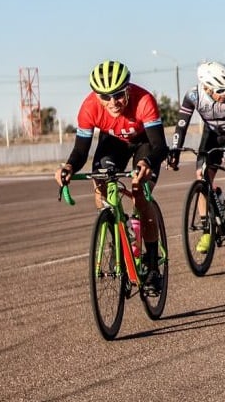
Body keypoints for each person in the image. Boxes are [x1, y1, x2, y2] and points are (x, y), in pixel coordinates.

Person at [54, 60, 167, 292]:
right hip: (114, 143)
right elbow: (80, 151)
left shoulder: (144, 100)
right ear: (96, 96)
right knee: (100, 183)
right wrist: (68, 167)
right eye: (105, 97)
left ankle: (153, 265)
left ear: (128, 89)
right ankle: (114, 231)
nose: (112, 103)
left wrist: (147, 162)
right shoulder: (89, 108)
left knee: (138, 192)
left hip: (144, 143)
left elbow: (160, 146)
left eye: (118, 95)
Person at [167, 61, 225, 254]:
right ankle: (207, 231)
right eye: (220, 90)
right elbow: (181, 124)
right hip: (212, 134)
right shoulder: (193, 95)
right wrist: (174, 149)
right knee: (201, 175)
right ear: (206, 87)